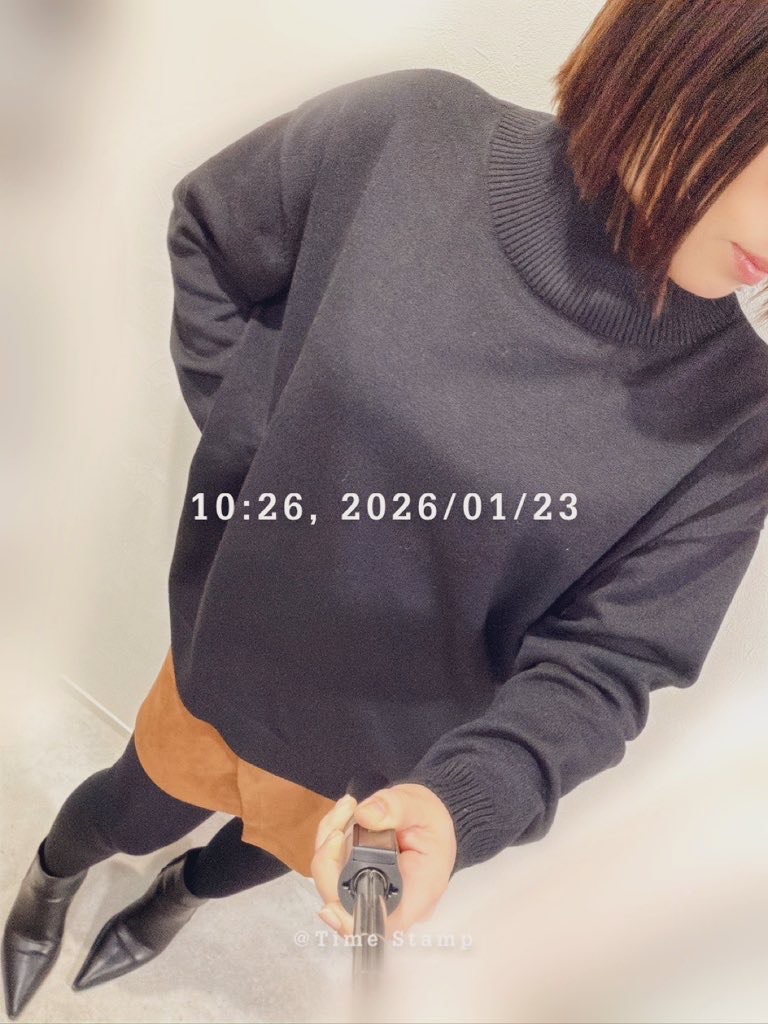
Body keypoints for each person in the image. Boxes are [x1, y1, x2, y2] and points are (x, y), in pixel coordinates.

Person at [5, 0, 768, 1017]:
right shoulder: (407, 136)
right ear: (695, 55)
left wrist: (460, 805)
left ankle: (173, 902)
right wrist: (263, 462)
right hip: (230, 652)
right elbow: (213, 239)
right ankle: (52, 878)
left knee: (252, 859)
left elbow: (610, 661)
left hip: (389, 764)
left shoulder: (737, 415)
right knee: (127, 805)